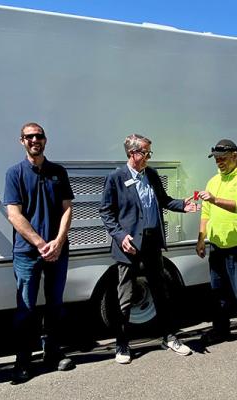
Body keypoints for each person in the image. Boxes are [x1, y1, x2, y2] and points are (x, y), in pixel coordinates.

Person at [99, 134, 197, 364]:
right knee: (125, 297)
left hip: (152, 243)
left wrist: (183, 205)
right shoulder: (115, 177)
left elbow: (163, 200)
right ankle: (122, 343)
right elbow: (106, 211)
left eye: (149, 152)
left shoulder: (151, 175)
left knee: (161, 292)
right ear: (132, 153)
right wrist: (121, 236)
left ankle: (169, 337)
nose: (149, 157)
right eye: (145, 152)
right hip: (129, 246)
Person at [4, 122, 75, 383]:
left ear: (45, 140)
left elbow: (67, 208)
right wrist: (40, 243)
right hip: (27, 253)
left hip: (58, 250)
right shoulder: (15, 173)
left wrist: (57, 241)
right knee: (26, 307)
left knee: (55, 304)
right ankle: (23, 359)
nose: (35, 140)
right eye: (29, 137)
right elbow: (14, 214)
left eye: (39, 136)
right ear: (21, 141)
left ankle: (53, 353)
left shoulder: (58, 171)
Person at [196, 139, 237, 362]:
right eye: (216, 159)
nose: (218, 162)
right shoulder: (213, 180)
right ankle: (221, 329)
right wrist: (201, 238)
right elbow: (205, 212)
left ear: (235, 155)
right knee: (218, 293)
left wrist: (215, 200)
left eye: (222, 158)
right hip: (217, 246)